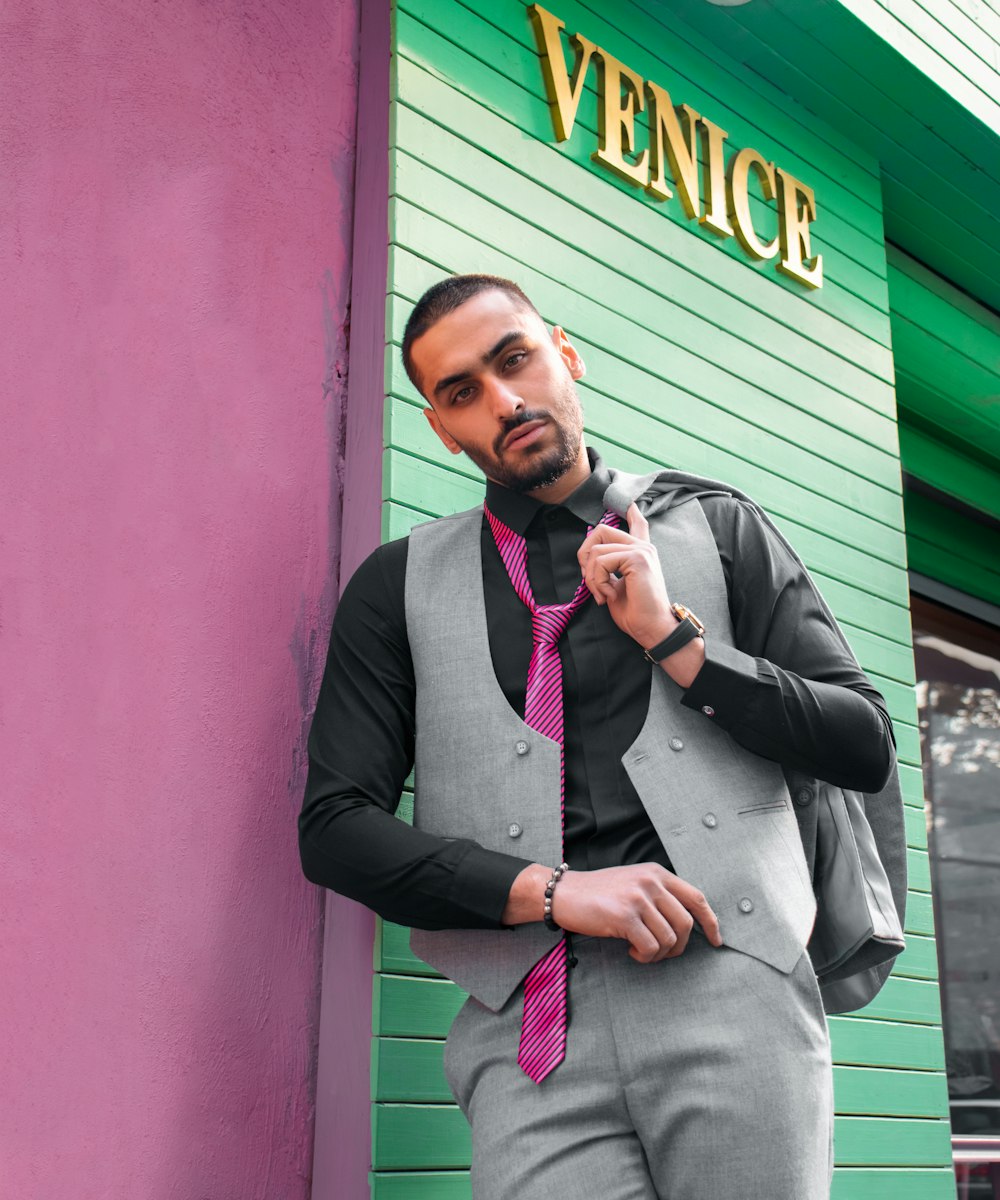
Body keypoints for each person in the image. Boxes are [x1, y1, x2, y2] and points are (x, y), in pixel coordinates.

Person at [299, 273, 900, 1200]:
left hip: (734, 992)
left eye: (515, 360)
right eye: (462, 392)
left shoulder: (720, 525)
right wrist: (552, 893)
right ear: (441, 428)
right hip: (528, 1027)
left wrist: (680, 645)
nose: (504, 401)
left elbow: (862, 742)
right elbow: (334, 827)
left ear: (563, 355)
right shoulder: (395, 587)